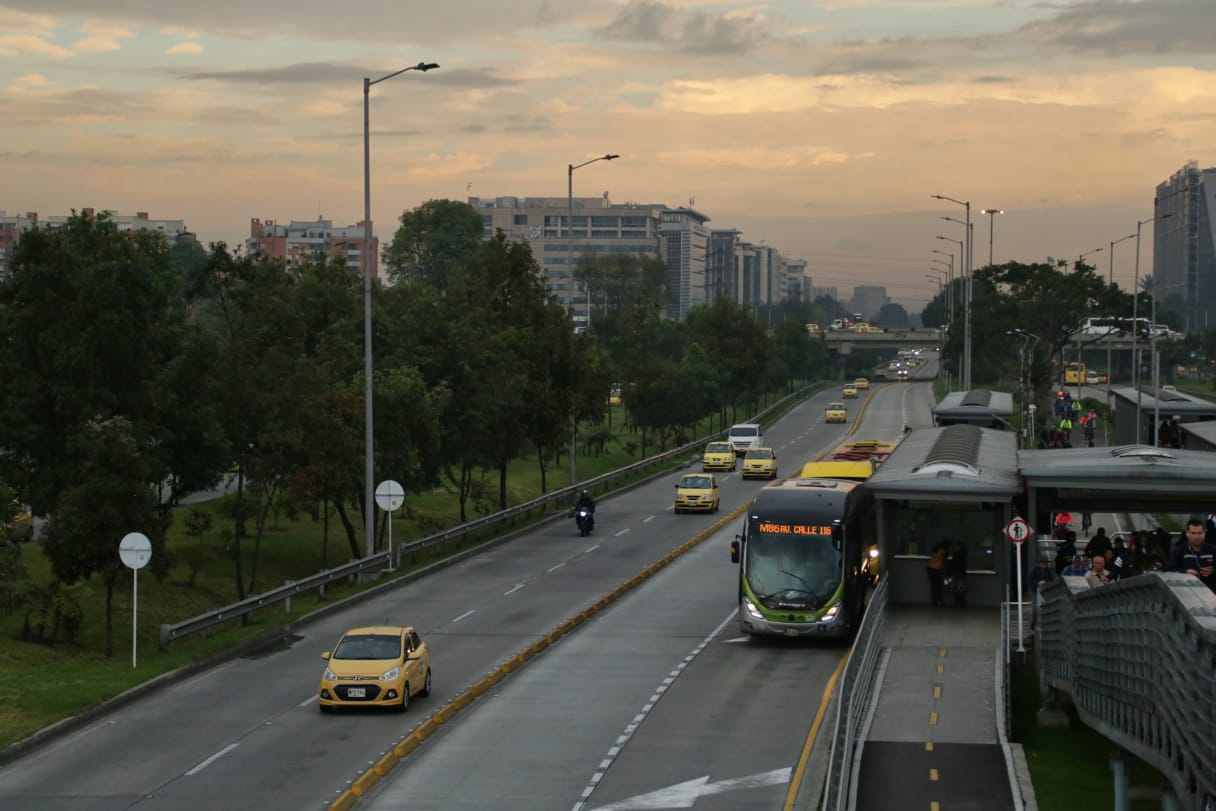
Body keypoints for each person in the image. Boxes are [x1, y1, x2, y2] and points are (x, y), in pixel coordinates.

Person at [1165, 517, 1216, 592]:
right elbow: (1168, 570)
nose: (1196, 536)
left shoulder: (1213, 550)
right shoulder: (1178, 550)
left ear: (1204, 533)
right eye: (1193, 533)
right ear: (1187, 533)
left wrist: (1213, 571)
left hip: (1211, 593)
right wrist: (1185, 571)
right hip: (1186, 592)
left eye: (1199, 533)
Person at [946, 540, 968, 607]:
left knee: (956, 587)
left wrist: (949, 571)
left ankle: (958, 602)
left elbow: (953, 563)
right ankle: (960, 602)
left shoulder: (956, 554)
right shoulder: (963, 554)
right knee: (960, 587)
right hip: (960, 572)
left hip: (956, 571)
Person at [926, 541, 948, 606]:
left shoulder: (935, 550)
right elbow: (944, 559)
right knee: (938, 586)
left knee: (933, 585)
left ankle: (934, 601)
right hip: (936, 569)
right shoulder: (942, 551)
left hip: (930, 568)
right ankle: (939, 601)